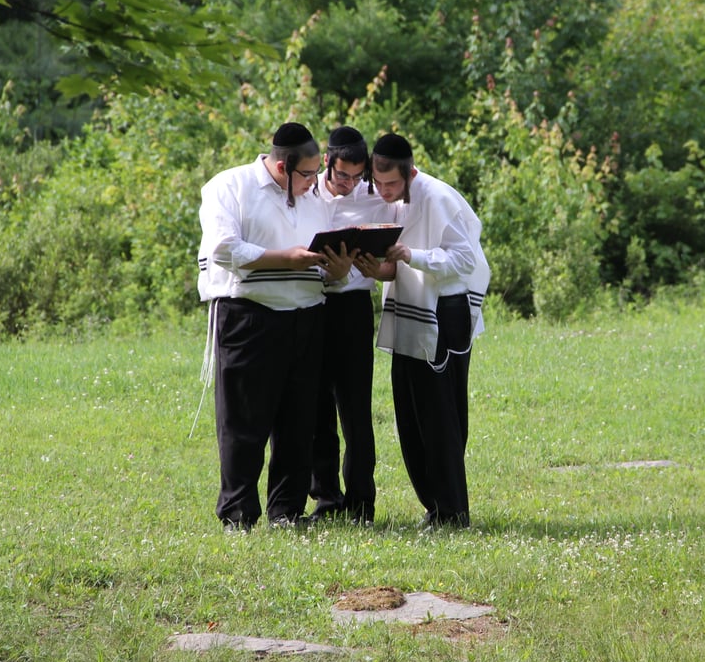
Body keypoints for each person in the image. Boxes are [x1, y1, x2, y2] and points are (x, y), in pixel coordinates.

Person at [196, 122, 353, 531]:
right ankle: (238, 514)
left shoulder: (314, 199)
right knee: (244, 421)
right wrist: (286, 258)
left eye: (318, 173)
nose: (314, 182)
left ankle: (286, 511)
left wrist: (338, 269)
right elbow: (224, 248)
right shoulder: (230, 186)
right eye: (307, 174)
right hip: (249, 316)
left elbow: (328, 271)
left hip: (307, 316)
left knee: (298, 422)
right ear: (282, 168)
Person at [356, 133, 490, 529]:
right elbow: (399, 265)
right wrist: (376, 268)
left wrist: (412, 255)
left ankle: (453, 512)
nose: (384, 191)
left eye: (392, 184)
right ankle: (434, 506)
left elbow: (465, 259)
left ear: (411, 172)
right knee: (410, 415)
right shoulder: (395, 201)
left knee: (440, 417)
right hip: (409, 309)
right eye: (377, 184)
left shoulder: (438, 197)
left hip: (445, 313)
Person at [308, 126, 400, 524]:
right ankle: (326, 499)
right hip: (310, 306)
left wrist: (376, 267)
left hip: (353, 309)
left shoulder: (373, 199)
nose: (349, 184)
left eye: (357, 177)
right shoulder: (304, 193)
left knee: (356, 409)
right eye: (342, 175)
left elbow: (394, 257)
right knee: (315, 408)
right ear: (328, 163)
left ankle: (362, 503)